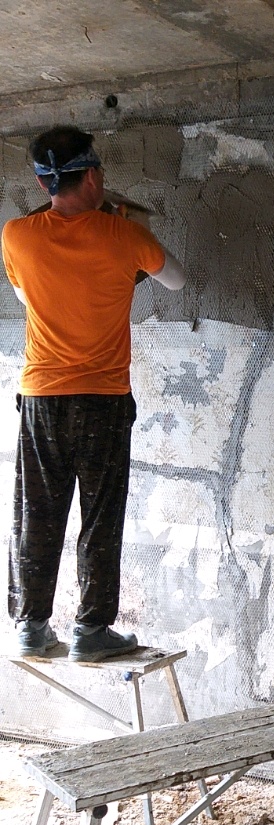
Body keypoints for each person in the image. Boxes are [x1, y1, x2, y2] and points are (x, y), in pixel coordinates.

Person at [2, 125, 186, 663]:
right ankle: (91, 630)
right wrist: (126, 242)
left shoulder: (16, 236)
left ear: (44, 184)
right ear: (89, 178)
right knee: (100, 515)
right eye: (99, 169)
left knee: (37, 513)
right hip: (102, 400)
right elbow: (176, 280)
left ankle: (31, 627)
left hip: (41, 398)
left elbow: (26, 296)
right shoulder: (122, 235)